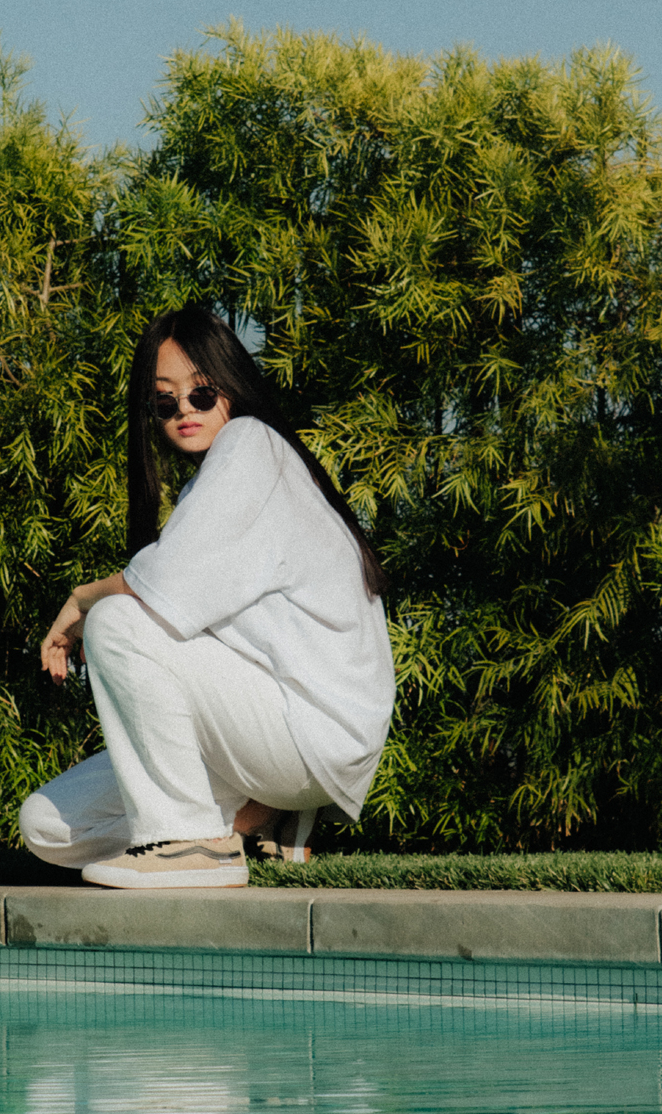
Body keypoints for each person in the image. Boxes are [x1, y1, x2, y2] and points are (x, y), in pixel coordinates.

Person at [20, 306, 394, 889]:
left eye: (201, 392)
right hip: (256, 735)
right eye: (164, 401)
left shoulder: (251, 443)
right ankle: (258, 821)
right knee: (46, 826)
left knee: (116, 619)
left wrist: (82, 599)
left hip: (310, 728)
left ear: (232, 387)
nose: (184, 411)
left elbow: (165, 584)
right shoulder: (218, 474)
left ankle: (188, 842)